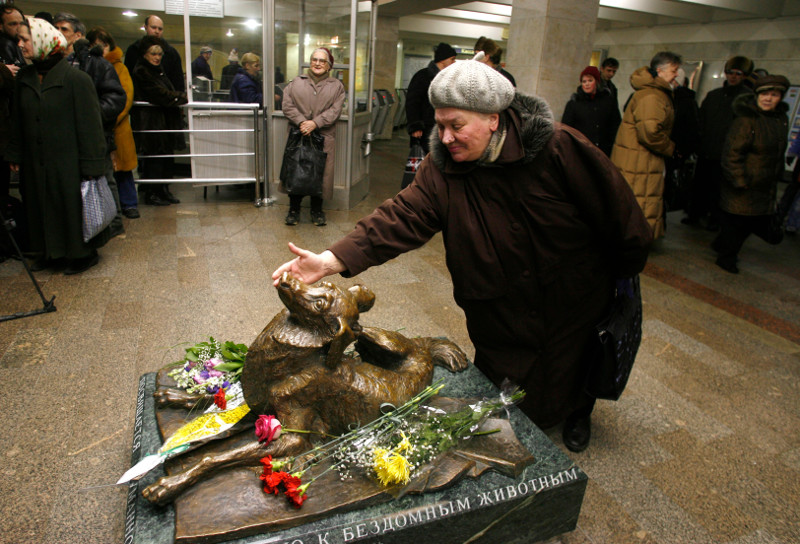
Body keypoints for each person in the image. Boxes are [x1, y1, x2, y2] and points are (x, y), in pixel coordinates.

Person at [271, 52, 653, 453]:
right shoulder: (442, 170)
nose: (447, 137)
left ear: (494, 118)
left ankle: (579, 414)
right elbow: (399, 218)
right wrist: (331, 260)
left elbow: (622, 218)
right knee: (504, 379)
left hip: (571, 302)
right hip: (496, 307)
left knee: (573, 367)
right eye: (440, 125)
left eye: (457, 125)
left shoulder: (559, 148)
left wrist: (620, 281)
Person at [5, 18, 109, 274]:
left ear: (41, 42)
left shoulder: (76, 79)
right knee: (39, 205)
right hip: (35, 159)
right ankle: (48, 252)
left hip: (68, 161)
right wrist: (15, 152)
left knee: (71, 207)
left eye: (25, 40)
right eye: (19, 39)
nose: (20, 44)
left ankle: (80, 254)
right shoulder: (25, 79)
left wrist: (92, 165)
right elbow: (16, 120)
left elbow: (90, 127)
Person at [712, 75, 790, 274]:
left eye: (774, 94)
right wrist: (739, 180)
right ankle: (726, 258)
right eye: (764, 94)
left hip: (764, 183)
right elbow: (732, 153)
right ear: (756, 95)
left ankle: (722, 245)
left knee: (746, 222)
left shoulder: (780, 119)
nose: (768, 98)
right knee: (738, 222)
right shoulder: (746, 120)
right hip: (744, 183)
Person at [611, 51, 681, 239]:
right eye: (674, 70)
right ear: (660, 70)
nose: (676, 75)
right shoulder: (652, 96)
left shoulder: (653, 93)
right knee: (640, 201)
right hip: (640, 161)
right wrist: (671, 148)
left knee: (633, 201)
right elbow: (650, 132)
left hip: (636, 159)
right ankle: (634, 241)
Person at [684, 56, 754, 230]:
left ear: (744, 76)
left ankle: (715, 219)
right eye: (731, 72)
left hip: (728, 154)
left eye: (738, 73)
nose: (733, 77)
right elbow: (702, 120)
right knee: (700, 185)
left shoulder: (747, 99)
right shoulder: (714, 96)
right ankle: (695, 214)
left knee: (720, 189)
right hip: (708, 149)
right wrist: (698, 143)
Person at [280, 47, 345, 227]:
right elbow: (287, 105)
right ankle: (293, 210)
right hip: (298, 135)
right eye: (314, 59)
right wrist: (303, 122)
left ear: (329, 65)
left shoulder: (337, 86)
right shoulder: (296, 83)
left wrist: (315, 123)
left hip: (323, 136)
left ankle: (317, 211)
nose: (317, 63)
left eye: (322, 61)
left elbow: (335, 111)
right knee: (295, 170)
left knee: (321, 175)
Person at [88, 26, 139, 219]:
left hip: (116, 126)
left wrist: (107, 118)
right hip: (97, 126)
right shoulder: (87, 66)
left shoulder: (120, 67)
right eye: (95, 45)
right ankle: (110, 208)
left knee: (124, 170)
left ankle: (129, 204)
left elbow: (126, 97)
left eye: (104, 44)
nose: (100, 48)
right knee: (104, 172)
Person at [130, 35, 188, 206]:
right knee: (155, 160)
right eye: (153, 54)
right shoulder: (142, 71)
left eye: (159, 54)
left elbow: (165, 94)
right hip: (152, 124)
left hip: (163, 123)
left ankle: (163, 190)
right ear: (145, 54)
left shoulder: (158, 70)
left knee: (165, 159)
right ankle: (153, 192)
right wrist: (180, 97)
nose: (156, 57)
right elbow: (160, 95)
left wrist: (174, 97)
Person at [405, 42, 456, 154]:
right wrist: (415, 125)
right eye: (452, 59)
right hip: (425, 128)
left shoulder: (448, 79)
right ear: (442, 60)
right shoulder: (422, 76)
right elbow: (412, 102)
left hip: (441, 128)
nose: (454, 62)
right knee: (424, 159)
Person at [561, 65, 620, 156]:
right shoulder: (574, 103)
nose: (587, 84)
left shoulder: (608, 101)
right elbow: (566, 128)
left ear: (596, 81)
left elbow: (615, 124)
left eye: (590, 80)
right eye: (584, 81)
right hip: (581, 151)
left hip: (603, 151)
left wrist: (610, 145)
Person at [664, 67, 700, 214]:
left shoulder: (686, 102)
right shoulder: (661, 97)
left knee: (666, 189)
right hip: (663, 151)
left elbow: (691, 131)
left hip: (673, 153)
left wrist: (679, 152)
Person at [124, 15, 185, 93]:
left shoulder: (171, 53)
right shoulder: (133, 50)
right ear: (145, 27)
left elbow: (178, 81)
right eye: (153, 27)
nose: (157, 31)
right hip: (139, 100)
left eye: (160, 29)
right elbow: (128, 78)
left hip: (165, 100)